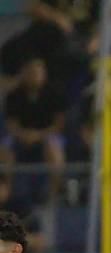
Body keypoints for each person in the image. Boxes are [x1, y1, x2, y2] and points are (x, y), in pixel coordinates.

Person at [2, 57, 67, 203]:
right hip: (20, 135)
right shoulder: (14, 95)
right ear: (24, 74)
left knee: (55, 150)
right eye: (31, 72)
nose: (35, 76)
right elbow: (11, 124)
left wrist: (38, 135)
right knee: (5, 149)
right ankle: (8, 190)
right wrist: (24, 135)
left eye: (38, 72)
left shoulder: (53, 92)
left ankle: (53, 194)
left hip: (47, 134)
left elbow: (59, 124)